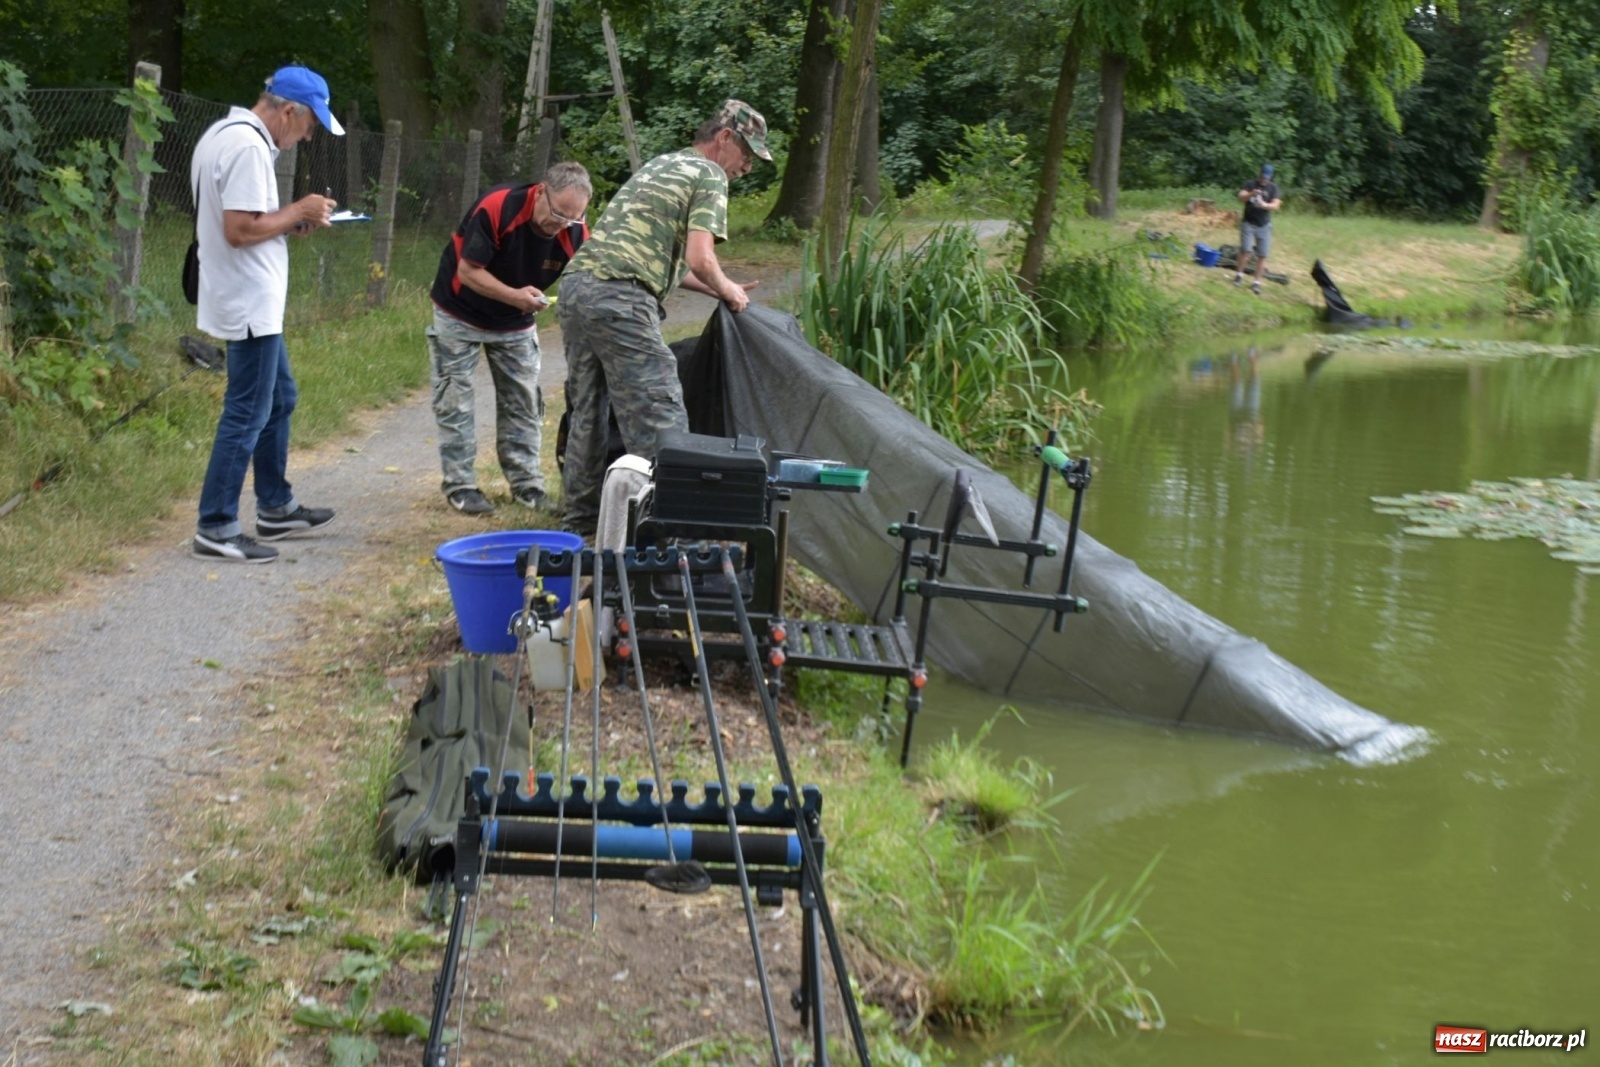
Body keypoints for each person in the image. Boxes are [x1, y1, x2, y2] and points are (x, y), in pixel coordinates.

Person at [557, 99, 771, 537]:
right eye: (747, 154)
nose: (747, 167)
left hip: (577, 288)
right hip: (621, 298)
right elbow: (701, 256)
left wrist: (717, 286)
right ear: (724, 137)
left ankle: (579, 523)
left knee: (588, 411)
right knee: (659, 411)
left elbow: (657, 256)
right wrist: (727, 288)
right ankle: (669, 531)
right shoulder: (710, 174)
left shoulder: (663, 164)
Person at [190, 65, 342, 564]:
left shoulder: (225, 133)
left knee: (280, 397)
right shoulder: (250, 147)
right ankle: (216, 525)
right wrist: (298, 211)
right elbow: (238, 230)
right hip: (248, 300)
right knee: (247, 411)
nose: (307, 136)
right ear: (289, 111)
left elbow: (249, 221)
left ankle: (275, 506)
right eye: (309, 125)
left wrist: (287, 223)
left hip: (249, 297)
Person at [427, 161, 592, 515]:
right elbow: (468, 272)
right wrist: (516, 297)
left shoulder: (576, 232)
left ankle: (527, 485)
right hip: (459, 310)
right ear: (541, 191)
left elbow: (587, 278)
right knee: (455, 401)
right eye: (558, 214)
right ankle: (461, 486)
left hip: (515, 321)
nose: (561, 225)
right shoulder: (498, 206)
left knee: (524, 402)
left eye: (573, 218)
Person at [1234, 163, 1281, 295]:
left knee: (1262, 254)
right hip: (1248, 222)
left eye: (1266, 178)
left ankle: (1256, 283)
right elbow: (1240, 197)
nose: (1264, 180)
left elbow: (1276, 205)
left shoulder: (1273, 188)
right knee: (1245, 250)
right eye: (1262, 177)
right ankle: (1239, 275)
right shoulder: (1250, 184)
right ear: (1259, 174)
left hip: (1264, 225)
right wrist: (1251, 194)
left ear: (1270, 177)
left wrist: (1264, 205)